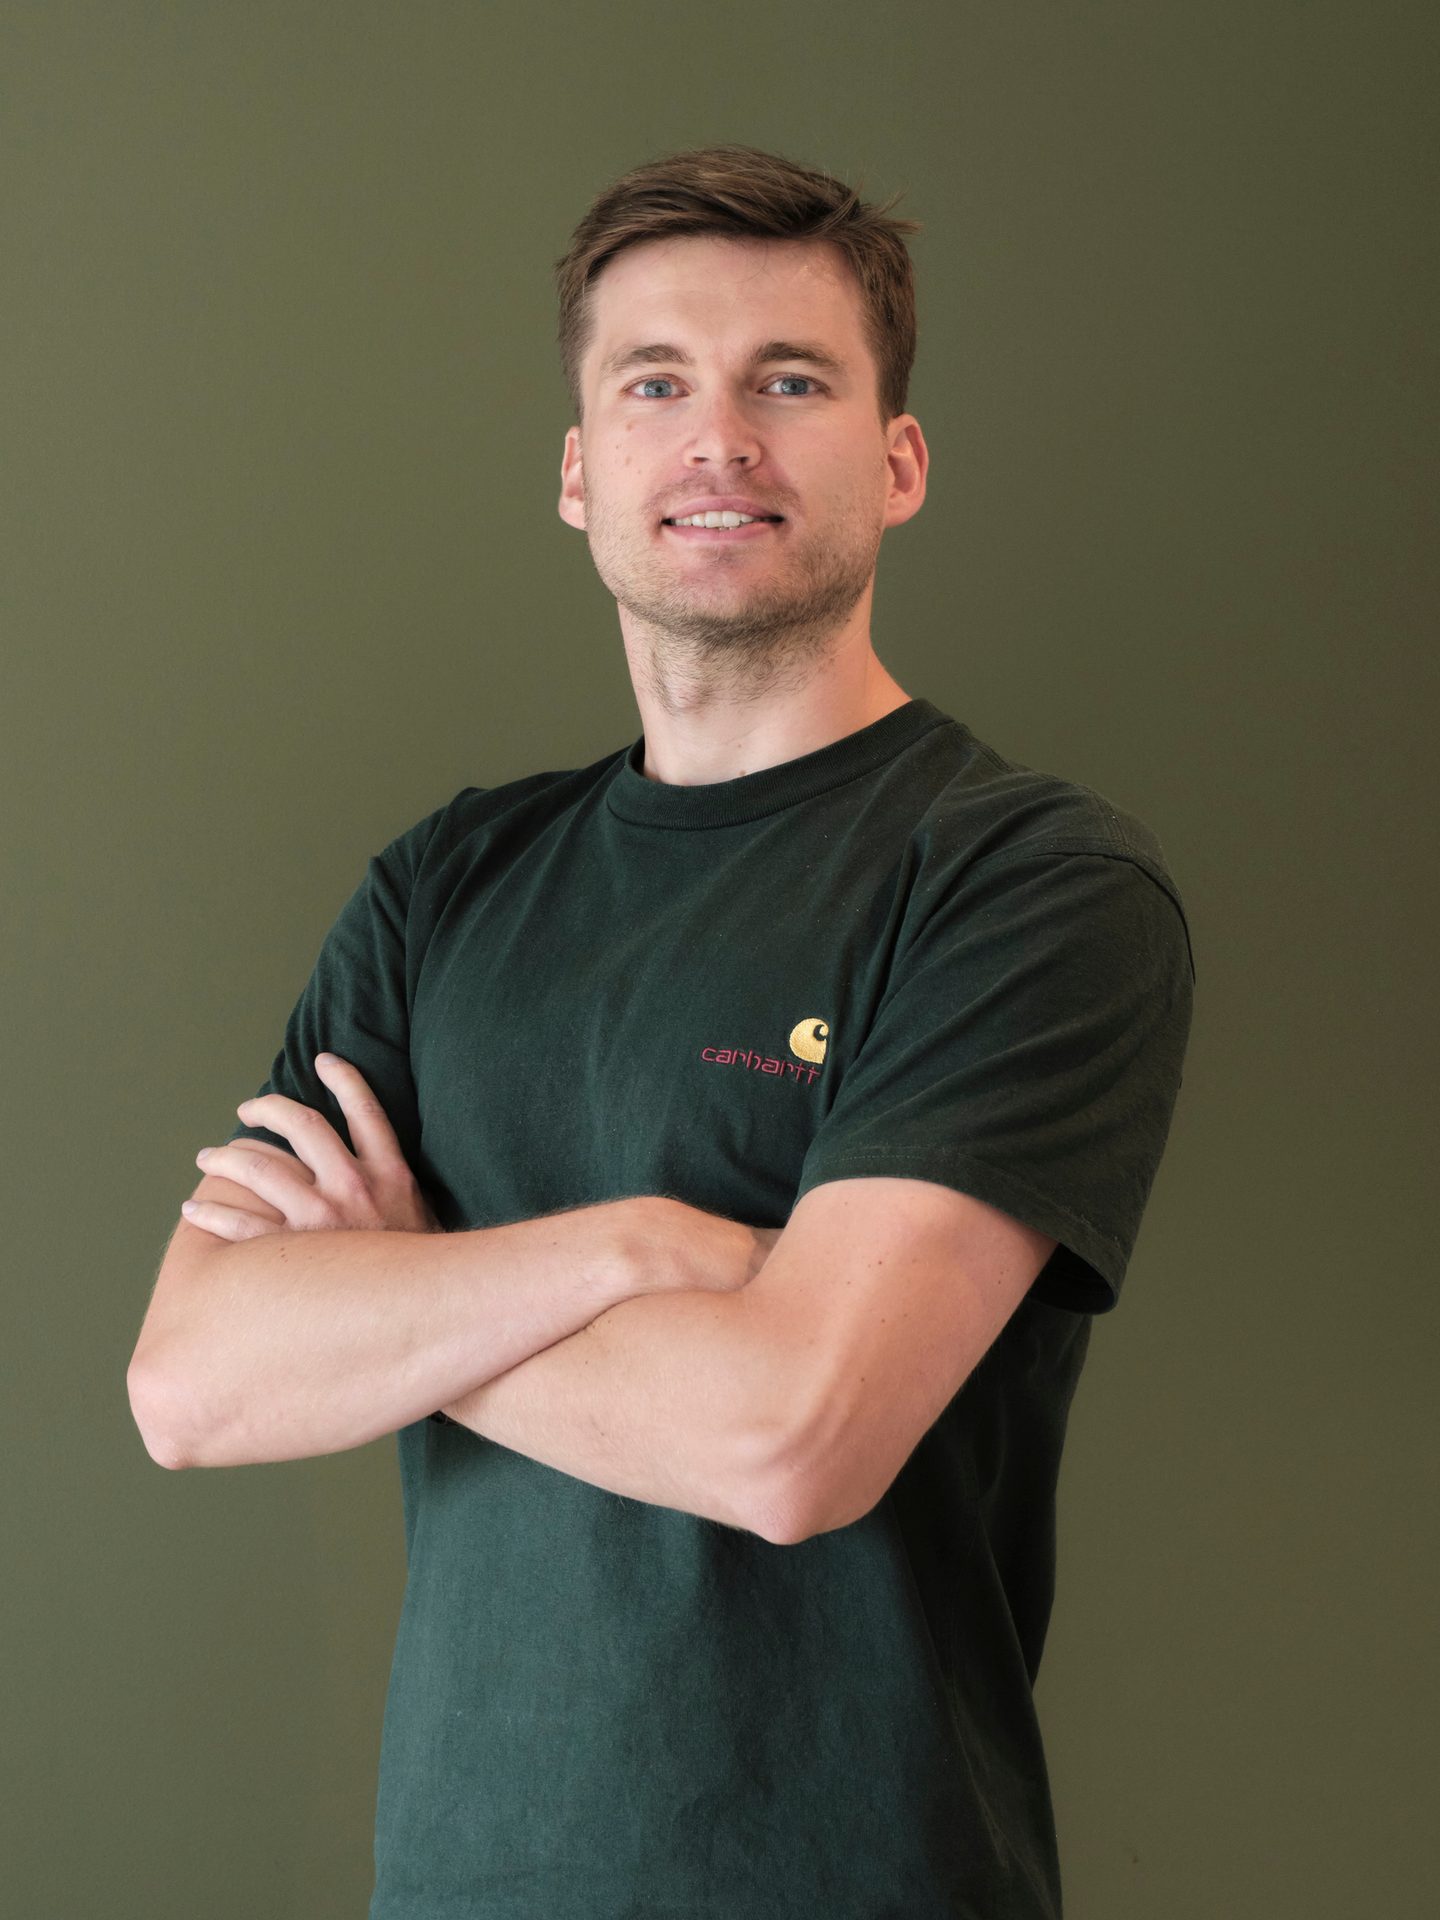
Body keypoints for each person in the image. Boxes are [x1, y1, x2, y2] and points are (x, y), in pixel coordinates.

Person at [128, 142, 1195, 1920]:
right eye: (654, 384)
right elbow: (189, 1379)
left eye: (791, 380)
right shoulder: (445, 884)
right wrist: (636, 1248)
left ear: (899, 457)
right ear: (579, 471)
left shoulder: (1024, 880)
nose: (720, 437)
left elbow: (790, 1438)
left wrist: (400, 1293)